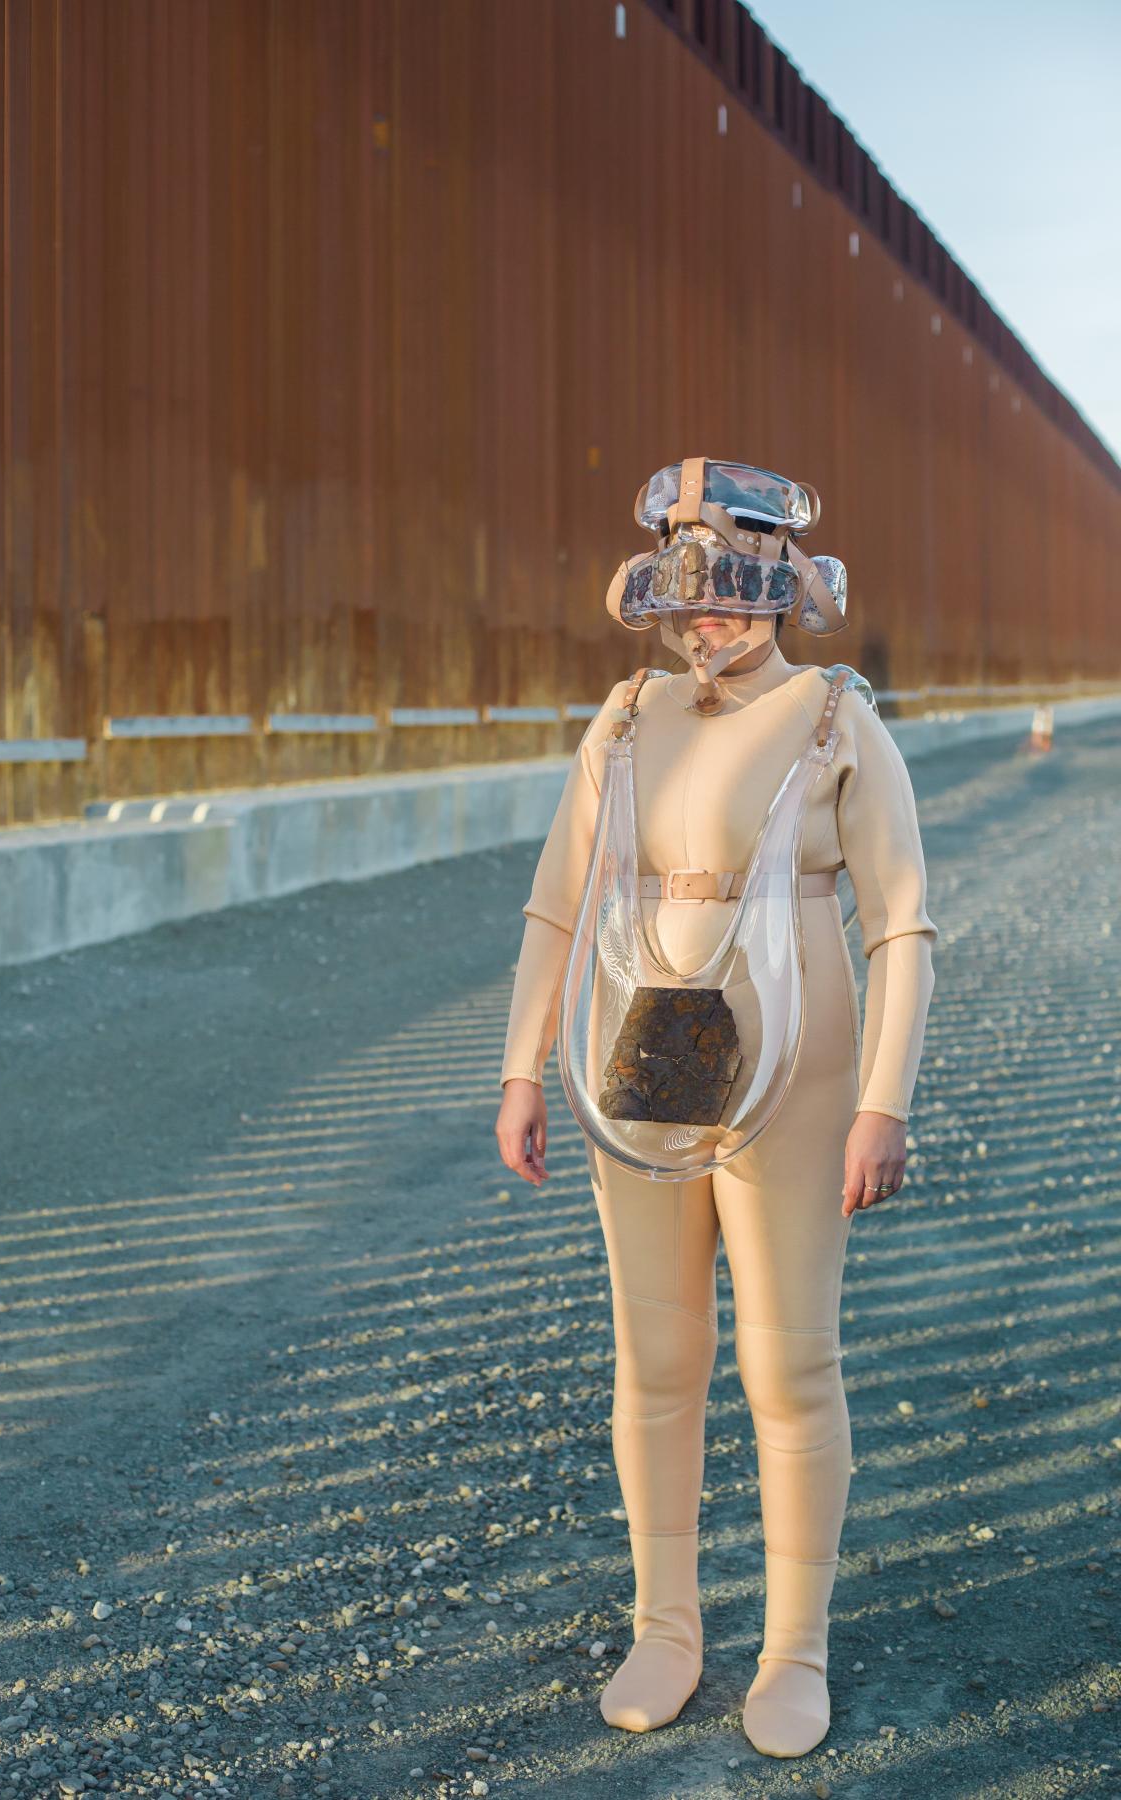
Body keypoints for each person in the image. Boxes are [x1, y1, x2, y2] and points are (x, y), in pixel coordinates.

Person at [494, 459, 937, 1760]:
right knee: (659, 1356)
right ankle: (668, 1624)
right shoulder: (626, 720)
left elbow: (903, 919)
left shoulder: (835, 717)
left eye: (737, 588)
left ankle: (793, 1648)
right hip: (645, 1045)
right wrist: (523, 1066)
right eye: (689, 591)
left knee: (787, 1363)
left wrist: (884, 1101)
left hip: (799, 1060)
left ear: (786, 585)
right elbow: (557, 904)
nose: (713, 619)